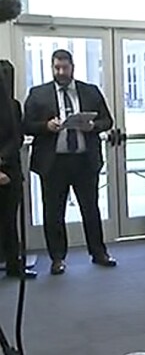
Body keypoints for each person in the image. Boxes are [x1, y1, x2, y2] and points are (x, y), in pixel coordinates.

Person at [22, 49, 117, 275]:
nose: (61, 72)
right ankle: (57, 258)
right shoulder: (38, 93)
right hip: (53, 163)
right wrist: (46, 126)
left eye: (65, 67)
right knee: (54, 213)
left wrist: (93, 126)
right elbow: (25, 125)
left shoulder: (90, 91)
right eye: (57, 68)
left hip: (84, 161)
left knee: (90, 209)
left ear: (72, 67)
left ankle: (99, 252)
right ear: (52, 68)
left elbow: (107, 120)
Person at [0, 75, 35, 279]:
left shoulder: (11, 105)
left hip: (10, 169)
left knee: (10, 220)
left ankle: (14, 264)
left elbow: (17, 137)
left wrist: (2, 158)